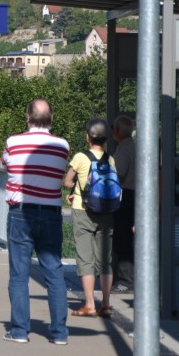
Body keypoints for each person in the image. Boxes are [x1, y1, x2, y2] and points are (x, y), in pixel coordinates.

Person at [1, 98, 70, 345]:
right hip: (51, 213)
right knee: (54, 272)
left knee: (19, 273)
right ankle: (59, 333)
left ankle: (20, 330)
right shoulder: (62, 145)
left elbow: (5, 164)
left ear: (27, 118)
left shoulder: (13, 142)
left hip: (20, 213)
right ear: (50, 119)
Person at [64, 117, 116, 317]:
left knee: (85, 259)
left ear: (88, 137)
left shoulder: (80, 157)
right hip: (106, 211)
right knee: (105, 260)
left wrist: (75, 187)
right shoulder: (110, 159)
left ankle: (89, 304)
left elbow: (68, 181)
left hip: (83, 210)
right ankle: (106, 304)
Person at [108, 114, 135, 292]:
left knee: (122, 238)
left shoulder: (124, 149)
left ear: (117, 131)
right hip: (137, 195)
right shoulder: (136, 146)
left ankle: (126, 280)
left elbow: (119, 175)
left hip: (126, 195)